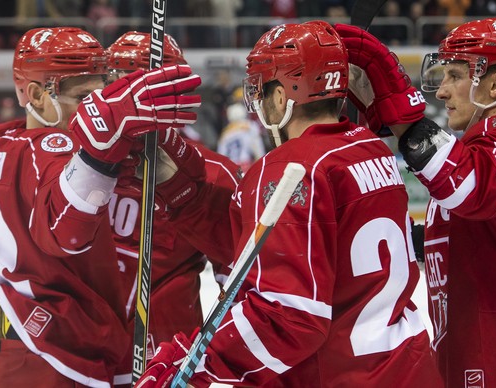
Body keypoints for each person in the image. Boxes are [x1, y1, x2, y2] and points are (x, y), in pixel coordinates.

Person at [135, 20, 443, 387]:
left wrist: (193, 363)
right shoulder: (370, 149)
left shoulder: (290, 167)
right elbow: (267, 245)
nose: (257, 102)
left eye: (261, 90)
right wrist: (183, 191)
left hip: (340, 376)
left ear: (282, 96)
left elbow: (289, 314)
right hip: (407, 369)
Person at [336, 17, 496, 387]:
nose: (441, 92)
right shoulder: (483, 149)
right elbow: (477, 240)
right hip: (483, 352)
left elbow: (469, 187)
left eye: (454, 76)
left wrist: (399, 112)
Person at [0, 27, 199, 387]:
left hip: (2, 340)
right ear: (36, 95)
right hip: (55, 354)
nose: (93, 111)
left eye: (101, 100)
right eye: (84, 98)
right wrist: (99, 154)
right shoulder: (56, 151)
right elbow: (67, 232)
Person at [105, 30, 241, 385]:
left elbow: (243, 289)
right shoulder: (77, 162)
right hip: (82, 359)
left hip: (166, 366)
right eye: (116, 85)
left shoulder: (214, 173)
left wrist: (202, 361)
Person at [217, 101, 266, 173]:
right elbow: (259, 150)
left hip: (230, 170)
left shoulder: (225, 133)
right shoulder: (250, 126)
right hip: (246, 166)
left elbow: (220, 156)